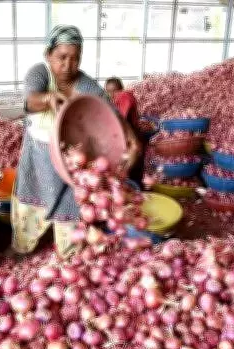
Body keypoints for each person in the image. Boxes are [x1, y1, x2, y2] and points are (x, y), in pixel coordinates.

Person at [12, 25, 141, 255]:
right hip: (39, 157)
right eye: (62, 57)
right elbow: (30, 100)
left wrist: (132, 140)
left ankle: (68, 253)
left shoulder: (85, 84)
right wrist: (48, 98)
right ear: (48, 54)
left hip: (70, 163)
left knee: (71, 210)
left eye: (75, 59)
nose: (68, 65)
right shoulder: (40, 73)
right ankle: (22, 249)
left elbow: (111, 111)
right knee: (29, 212)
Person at [105, 78, 144, 185]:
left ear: (121, 89)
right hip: (127, 142)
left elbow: (121, 117)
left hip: (133, 141)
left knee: (132, 174)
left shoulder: (125, 96)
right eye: (108, 91)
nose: (111, 94)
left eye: (114, 91)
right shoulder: (114, 101)